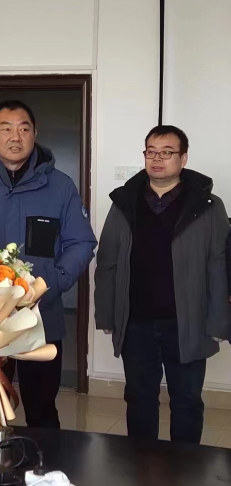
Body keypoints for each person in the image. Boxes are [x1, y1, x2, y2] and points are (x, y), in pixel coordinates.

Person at [0, 100, 97, 429]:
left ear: (35, 134)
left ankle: (43, 463)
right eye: (5, 128)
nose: (15, 136)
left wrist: (53, 281)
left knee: (42, 408)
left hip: (41, 316)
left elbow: (82, 242)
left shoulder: (60, 186)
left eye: (23, 128)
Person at [95, 125, 231, 444]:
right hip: (137, 322)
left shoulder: (208, 206)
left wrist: (218, 322)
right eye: (151, 152)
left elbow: (220, 266)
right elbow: (108, 261)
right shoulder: (124, 203)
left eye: (167, 152)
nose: (157, 159)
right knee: (139, 399)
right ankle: (140, 463)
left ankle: (184, 465)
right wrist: (107, 314)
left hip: (187, 322)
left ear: (183, 158)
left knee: (187, 401)